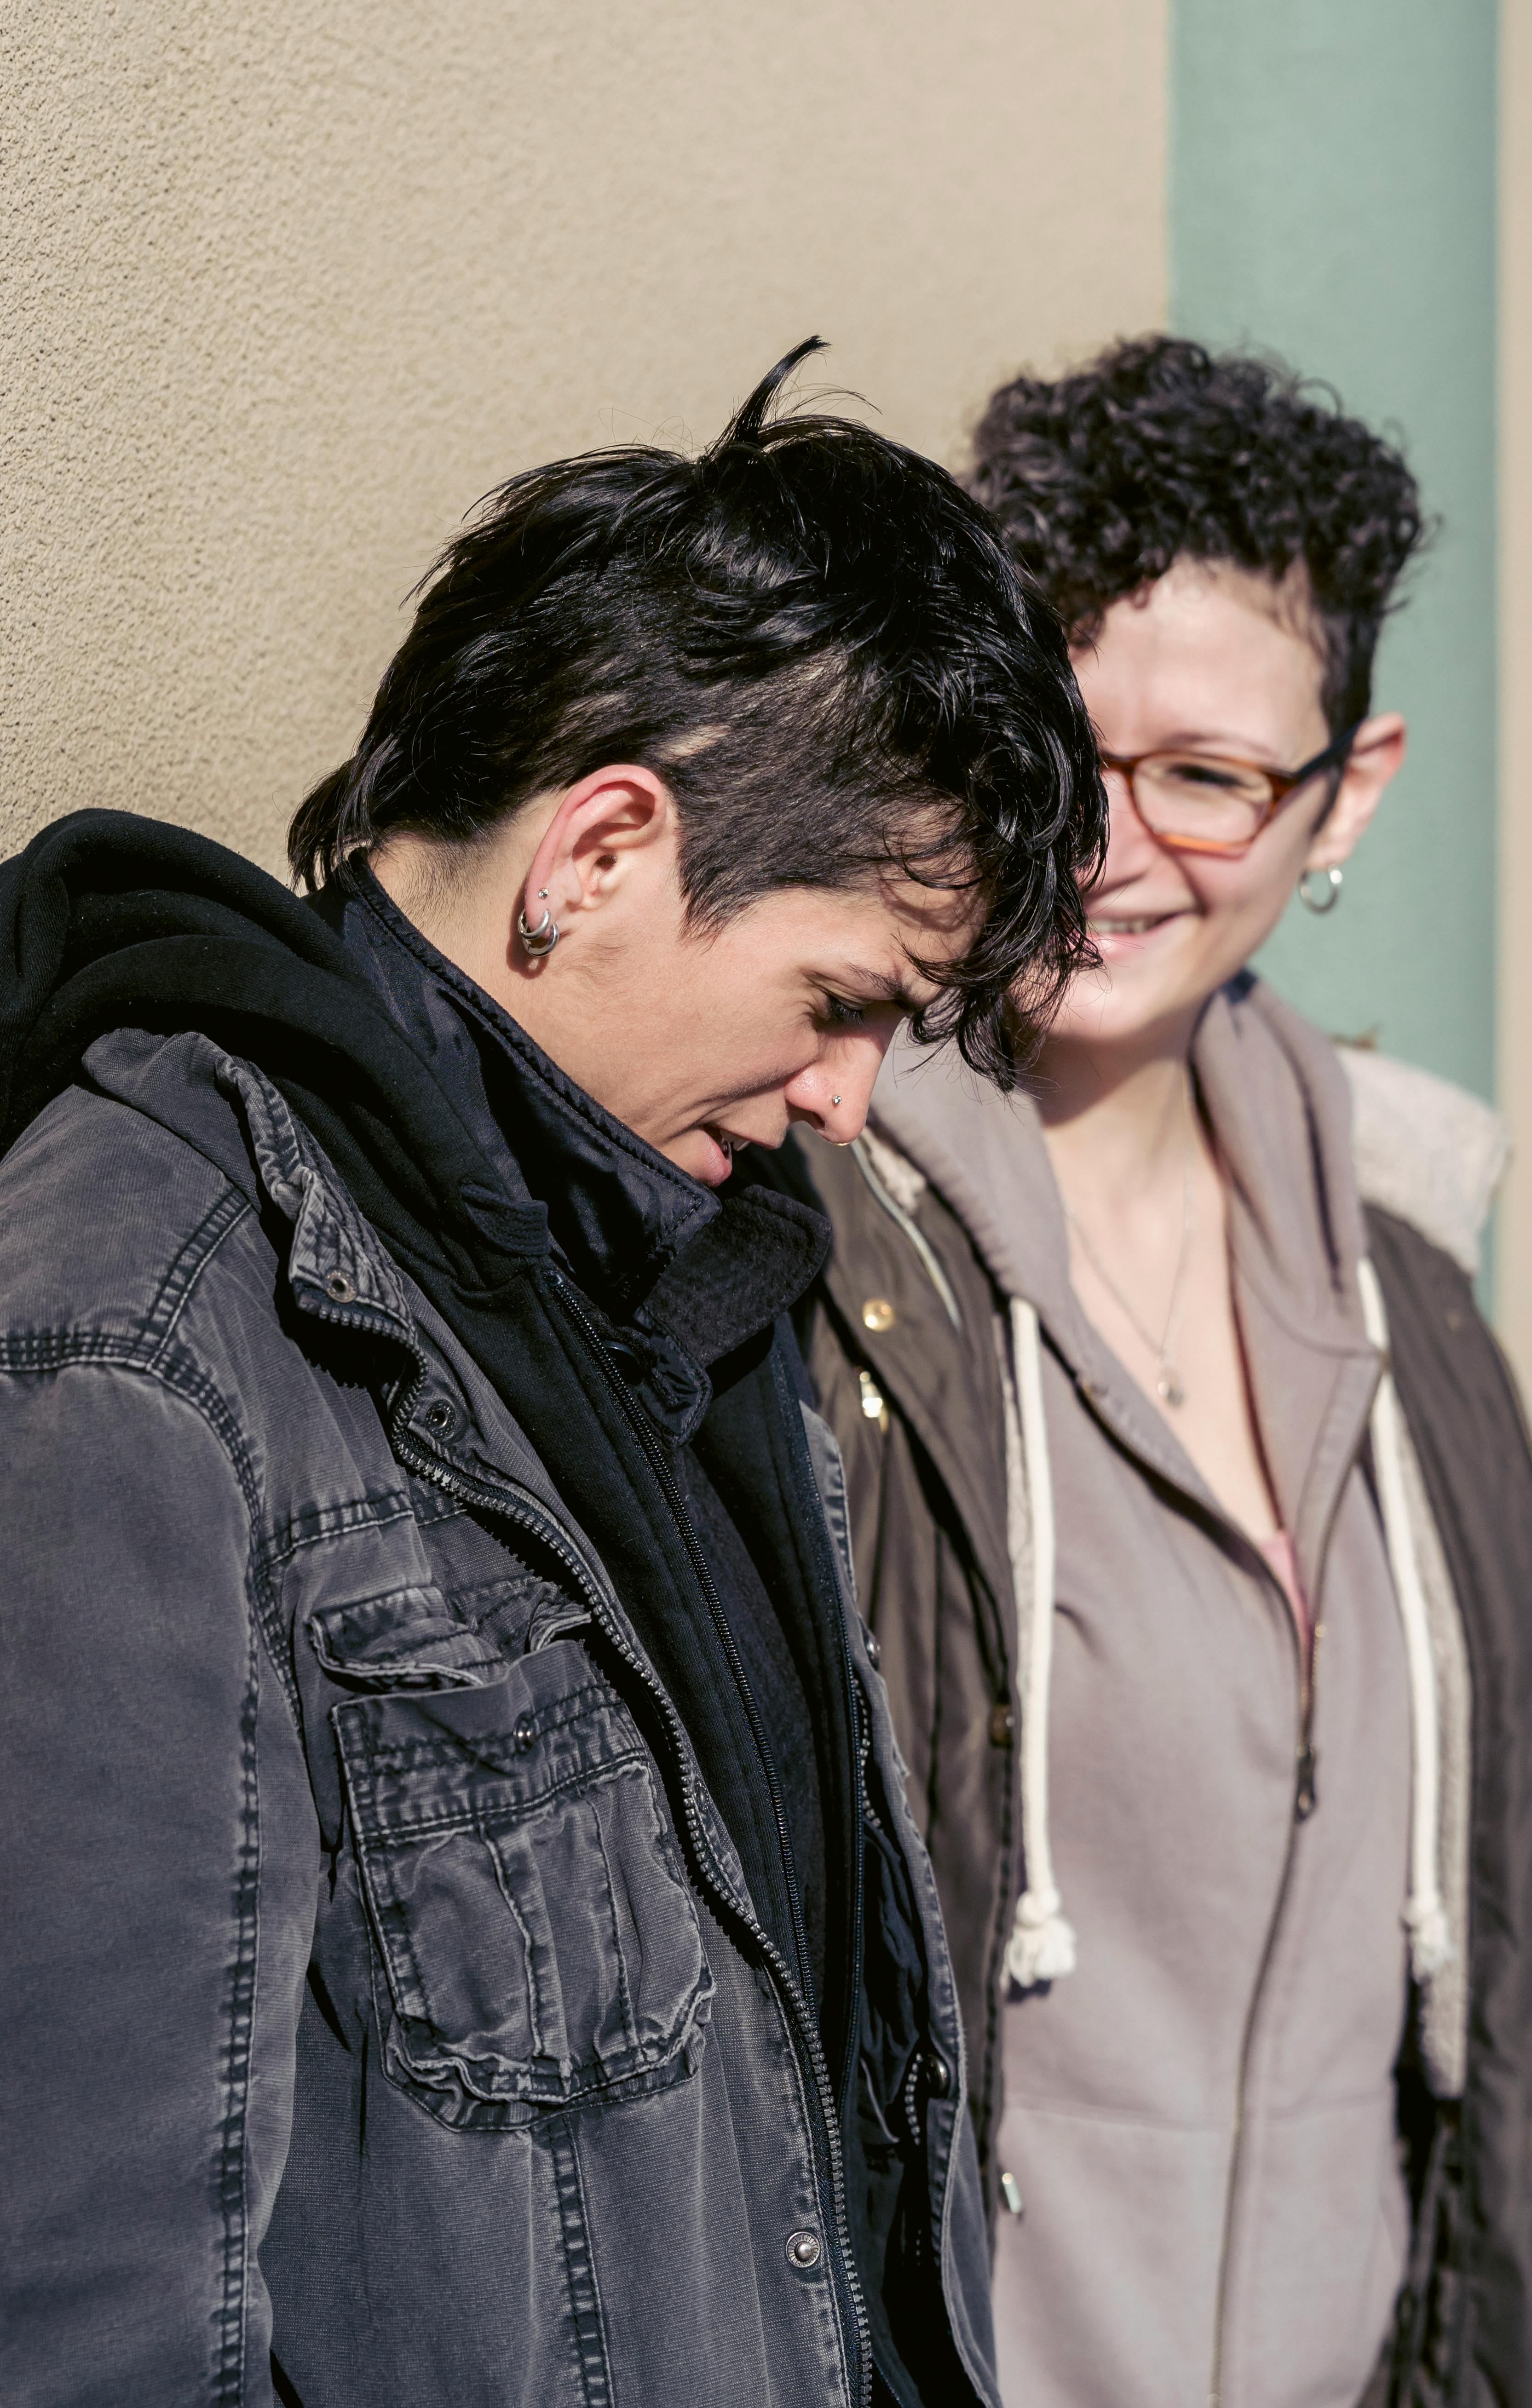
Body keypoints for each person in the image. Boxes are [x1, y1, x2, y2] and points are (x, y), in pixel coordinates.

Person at [0, 342, 1106, 2408]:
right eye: (846, 998)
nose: (856, 1102)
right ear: (598, 849)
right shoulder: (140, 1343)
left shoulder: (714, 1290)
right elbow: (79, 2311)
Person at [782, 337, 1532, 2407]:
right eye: (1066, 745)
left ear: (1351, 787)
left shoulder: (1408, 1290)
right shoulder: (818, 1241)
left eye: (1212, 776)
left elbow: (1515, 1987)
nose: (1111, 844)